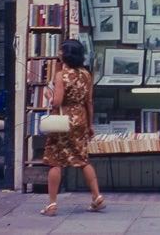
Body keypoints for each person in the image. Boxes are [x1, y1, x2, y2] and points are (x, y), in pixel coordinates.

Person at [40, 40, 104, 216]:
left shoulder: (61, 75)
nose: (59, 54)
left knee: (55, 161)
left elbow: (57, 102)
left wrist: (49, 95)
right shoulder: (86, 75)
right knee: (82, 159)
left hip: (63, 121)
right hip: (81, 118)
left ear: (66, 55)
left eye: (61, 51)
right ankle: (97, 196)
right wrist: (90, 124)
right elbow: (89, 102)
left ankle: (52, 204)